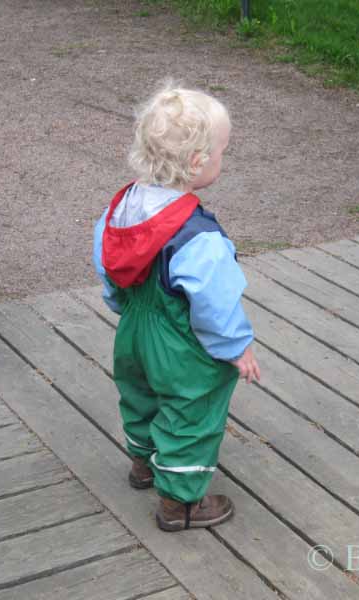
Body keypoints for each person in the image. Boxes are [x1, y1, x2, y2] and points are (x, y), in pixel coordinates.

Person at [92, 83, 261, 532]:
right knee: (192, 409)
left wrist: (121, 306)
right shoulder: (197, 235)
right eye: (222, 150)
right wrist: (236, 348)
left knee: (141, 394)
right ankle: (180, 503)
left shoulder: (123, 206)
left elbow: (106, 261)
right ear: (197, 163)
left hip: (134, 327)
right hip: (180, 340)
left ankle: (144, 464)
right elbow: (214, 302)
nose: (225, 157)